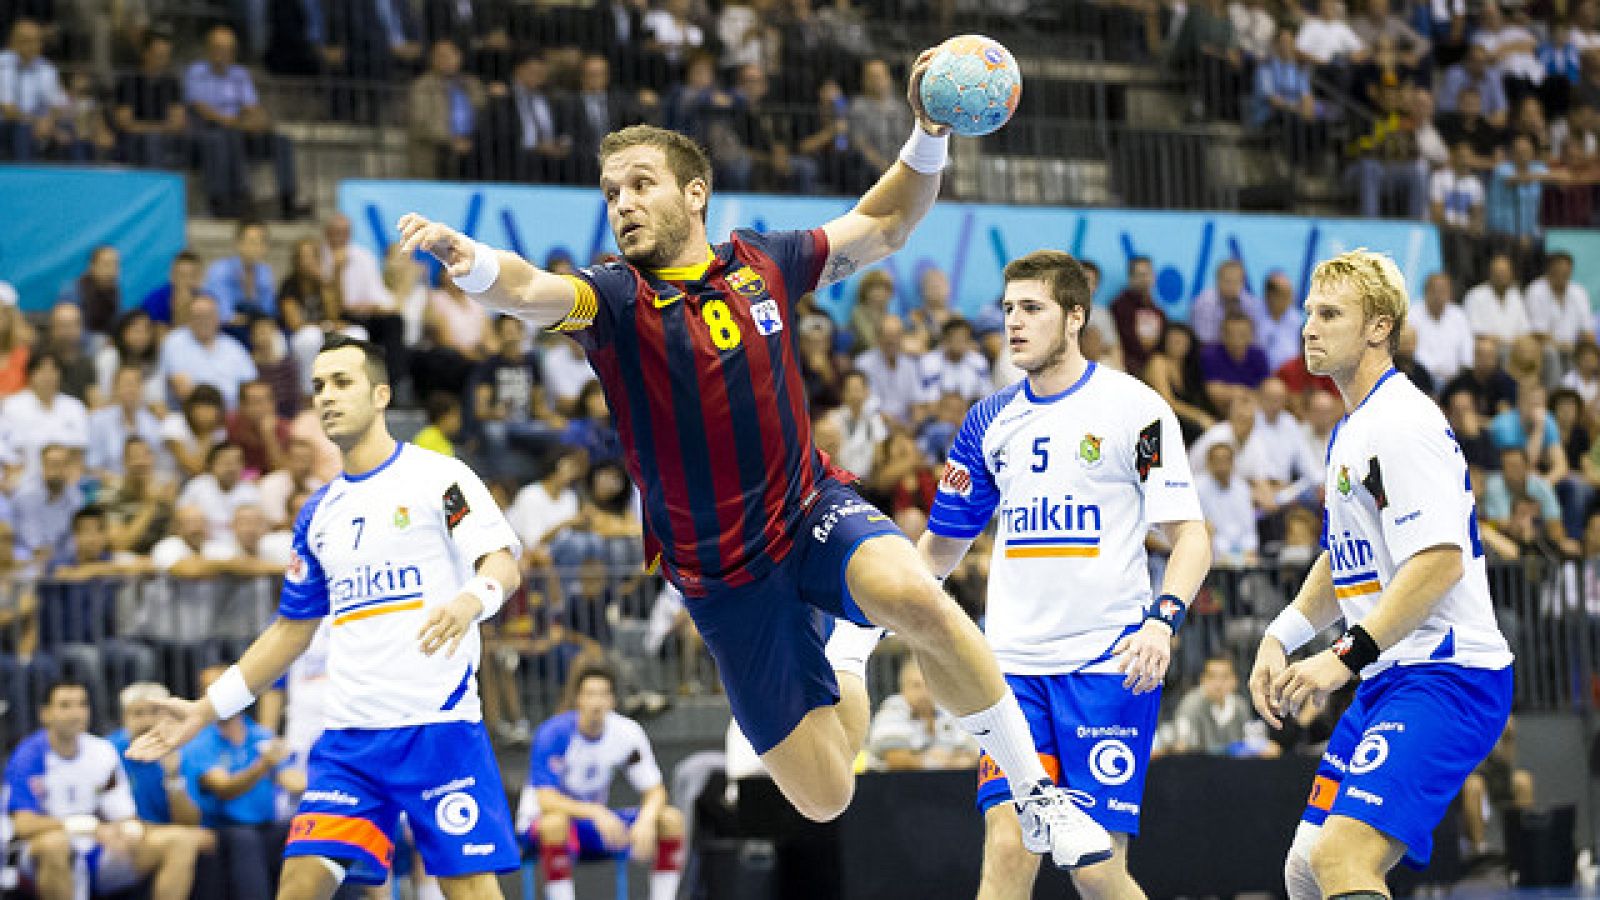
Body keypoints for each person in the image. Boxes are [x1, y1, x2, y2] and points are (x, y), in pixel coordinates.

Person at [395, 52, 1104, 868]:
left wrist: (929, 131)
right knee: (826, 794)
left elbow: (885, 223)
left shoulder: (760, 263)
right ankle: (848, 652)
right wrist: (475, 262)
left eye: (640, 184)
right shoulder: (617, 299)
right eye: (612, 193)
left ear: (694, 193)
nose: (623, 203)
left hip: (809, 512)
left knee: (918, 596)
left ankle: (1036, 795)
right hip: (722, 580)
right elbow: (528, 290)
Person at [128, 334, 526, 899]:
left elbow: (501, 563)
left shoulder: (440, 478)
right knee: (299, 883)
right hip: (350, 743)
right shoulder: (319, 513)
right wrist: (205, 709)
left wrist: (470, 600)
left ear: (381, 395)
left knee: (469, 891)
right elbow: (290, 631)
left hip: (436, 730)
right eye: (318, 386)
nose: (327, 396)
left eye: (342, 382)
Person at [915, 249, 1213, 899]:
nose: (1013, 322)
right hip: (1011, 672)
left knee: (1096, 870)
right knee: (1007, 848)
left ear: (1076, 316)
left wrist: (1162, 623)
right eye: (1008, 309)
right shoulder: (989, 421)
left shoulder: (1135, 409)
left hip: (1107, 665)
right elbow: (940, 549)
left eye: (1032, 308)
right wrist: (873, 605)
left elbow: (1190, 537)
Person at [1248, 250, 1514, 900]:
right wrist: (1281, 634)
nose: (1310, 327)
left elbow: (1439, 562)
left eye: (1330, 314)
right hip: (1390, 674)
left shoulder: (1400, 423)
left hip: (1447, 675)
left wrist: (1342, 656)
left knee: (1342, 857)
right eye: (1310, 312)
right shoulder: (1353, 427)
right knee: (1305, 868)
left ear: (1378, 327)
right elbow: (1343, 557)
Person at [5, 680, 211, 900]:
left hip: (98, 850)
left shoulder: (102, 751)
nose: (76, 713)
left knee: (180, 841)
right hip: (42, 854)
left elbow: (124, 816)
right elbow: (23, 825)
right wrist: (87, 826)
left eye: (82, 704)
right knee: (55, 844)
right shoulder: (28, 755)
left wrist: (127, 831)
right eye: (65, 705)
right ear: (45, 713)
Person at [519, 663, 685, 900]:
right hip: (541, 826)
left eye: (602, 694)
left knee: (670, 819)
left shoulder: (627, 733)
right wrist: (596, 812)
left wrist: (647, 819)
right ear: (578, 699)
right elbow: (546, 800)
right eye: (589, 694)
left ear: (612, 701)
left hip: (596, 825)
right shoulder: (553, 734)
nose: (596, 703)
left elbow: (655, 790)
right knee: (555, 823)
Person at [865, 654, 980, 771]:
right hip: (895, 781)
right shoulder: (894, 708)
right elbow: (896, 760)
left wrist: (953, 761)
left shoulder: (947, 709)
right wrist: (941, 762)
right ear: (903, 688)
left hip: (949, 780)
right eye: (916, 686)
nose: (924, 693)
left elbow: (973, 753)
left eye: (929, 686)